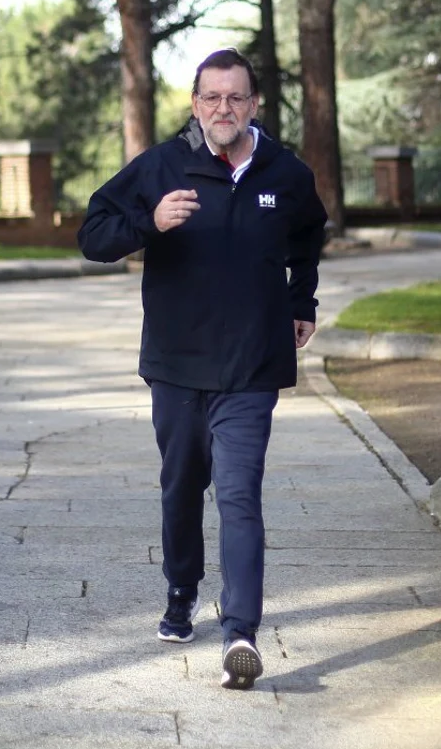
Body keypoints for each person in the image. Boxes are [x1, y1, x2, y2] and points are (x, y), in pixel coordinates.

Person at [77, 48, 327, 691]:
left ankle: (240, 632)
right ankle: (182, 588)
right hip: (178, 366)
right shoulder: (163, 165)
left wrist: (302, 300)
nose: (224, 108)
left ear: (253, 105)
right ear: (195, 104)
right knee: (183, 486)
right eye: (212, 98)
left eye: (236, 97)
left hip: (252, 366)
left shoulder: (285, 173)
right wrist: (149, 222)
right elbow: (93, 235)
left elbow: (309, 235)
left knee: (240, 495)